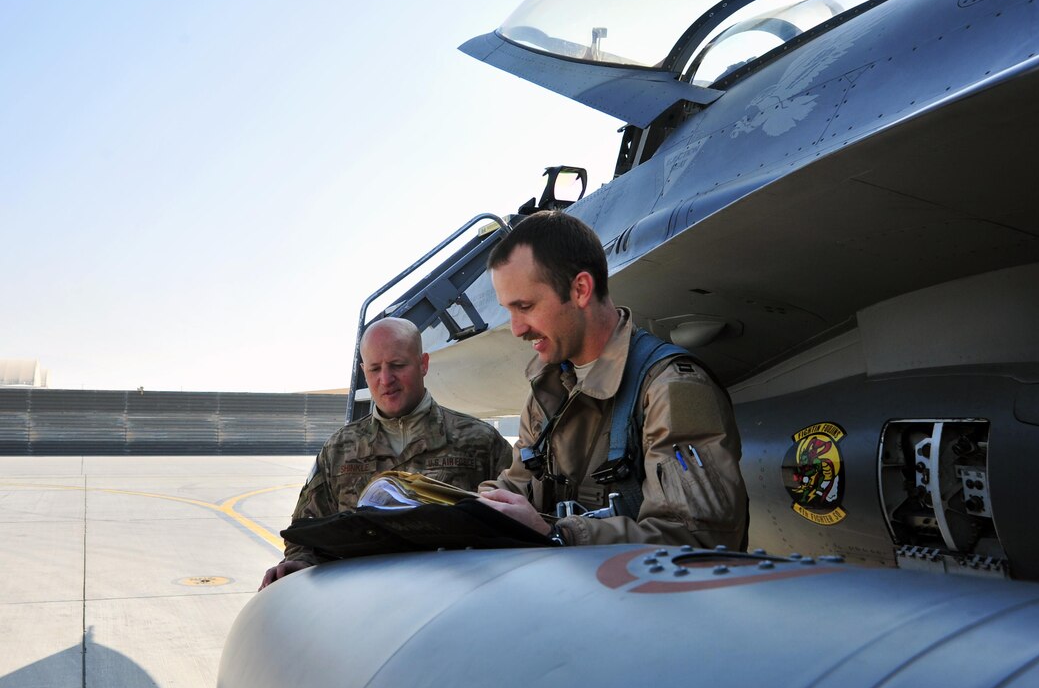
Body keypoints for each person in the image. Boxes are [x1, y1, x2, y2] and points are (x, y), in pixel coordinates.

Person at [476, 210, 748, 549]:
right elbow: (515, 487)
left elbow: (700, 542)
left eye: (526, 306)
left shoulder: (670, 389)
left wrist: (558, 535)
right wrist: (459, 509)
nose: (516, 329)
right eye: (509, 310)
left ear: (580, 289)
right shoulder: (548, 392)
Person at [260, 317, 512, 588]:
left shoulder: (480, 441)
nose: (385, 379)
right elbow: (305, 534)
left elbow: (518, 528)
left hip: (450, 601)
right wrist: (300, 564)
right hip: (366, 603)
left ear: (423, 364)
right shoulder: (339, 449)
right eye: (374, 369)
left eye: (397, 365)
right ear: (363, 371)